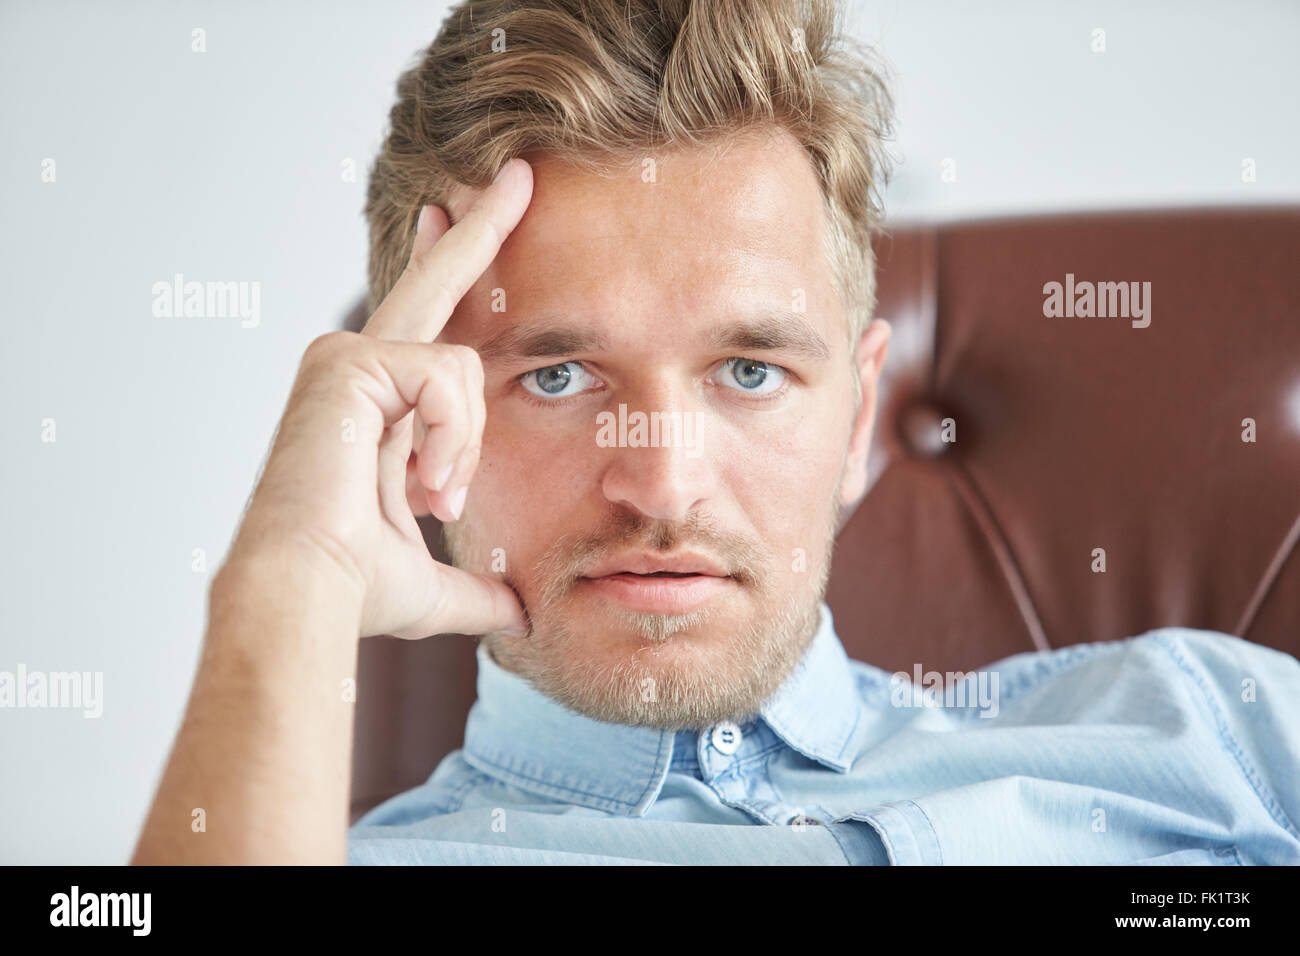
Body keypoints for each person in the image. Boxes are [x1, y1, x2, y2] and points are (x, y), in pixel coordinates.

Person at [131, 0, 1300, 865]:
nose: (662, 485)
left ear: (857, 414)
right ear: (414, 430)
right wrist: (287, 578)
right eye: (556, 375)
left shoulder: (1214, 730)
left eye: (749, 370)